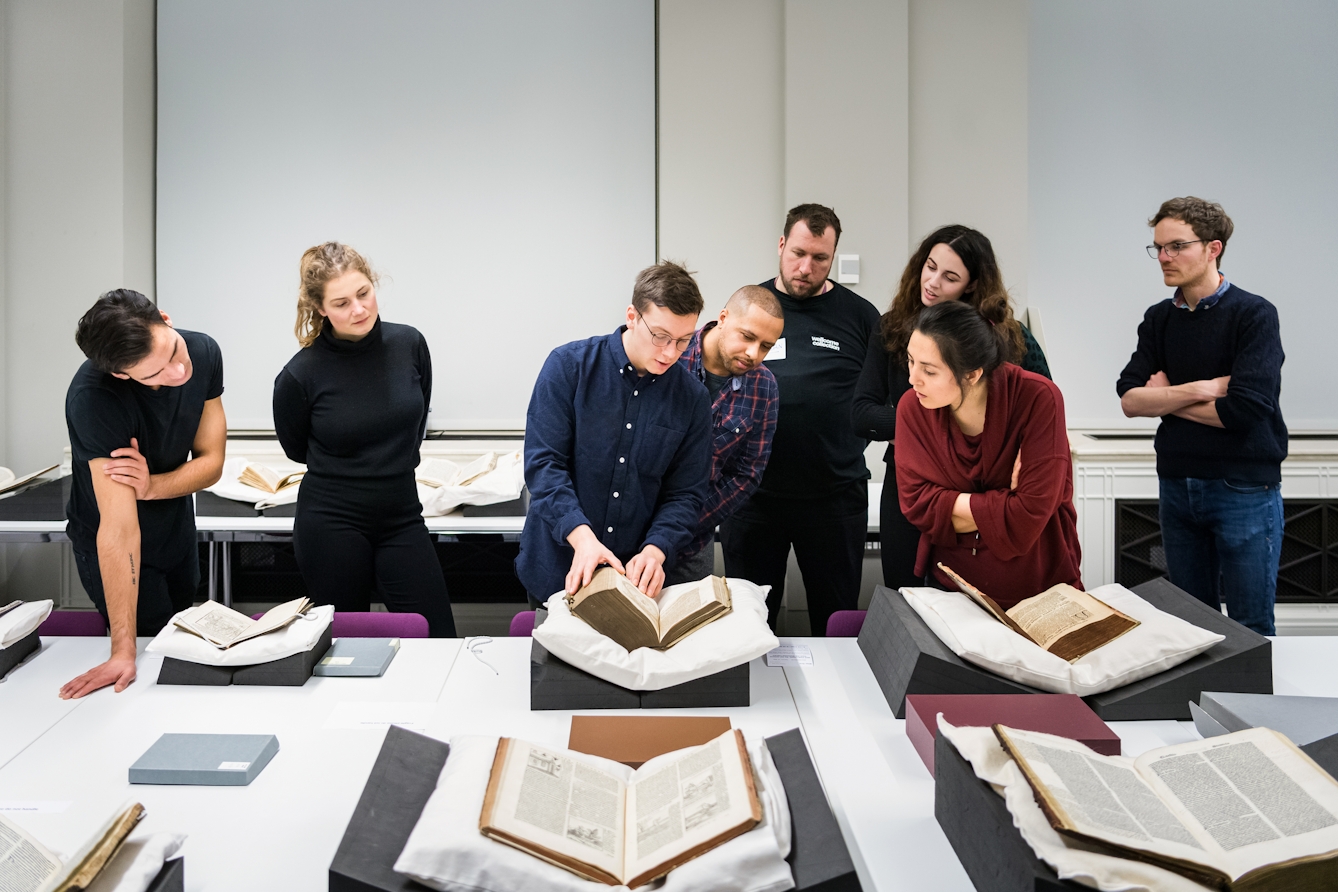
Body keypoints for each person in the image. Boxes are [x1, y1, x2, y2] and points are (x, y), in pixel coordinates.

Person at [1116, 197, 1285, 635]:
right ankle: (1193, 707)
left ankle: (1250, 707)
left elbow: (1246, 410)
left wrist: (1167, 399)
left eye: (1176, 247)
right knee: (1189, 627)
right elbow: (1130, 399)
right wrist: (1203, 389)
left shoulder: (1254, 314)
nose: (1164, 258)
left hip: (1243, 485)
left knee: (1250, 628)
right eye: (1158, 248)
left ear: (1213, 248)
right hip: (1177, 483)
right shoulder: (1158, 319)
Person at [853, 225, 1052, 590]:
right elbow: (861, 415)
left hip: (990, 483)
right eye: (929, 267)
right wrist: (922, 432)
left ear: (973, 285)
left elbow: (1040, 411)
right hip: (913, 483)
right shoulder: (894, 328)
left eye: (949, 277)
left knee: (980, 599)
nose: (931, 282)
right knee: (907, 599)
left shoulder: (1011, 337)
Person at [273, 242, 456, 637]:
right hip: (331, 520)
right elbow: (296, 448)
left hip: (402, 514)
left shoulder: (409, 344)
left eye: (363, 293)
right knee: (343, 645)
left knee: (438, 634)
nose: (358, 309)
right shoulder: (300, 375)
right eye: (341, 303)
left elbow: (414, 419)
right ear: (320, 308)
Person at [719, 203, 880, 637]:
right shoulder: (750, 308)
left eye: (820, 258)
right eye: (798, 253)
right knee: (747, 623)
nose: (805, 267)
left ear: (833, 258)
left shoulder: (862, 317)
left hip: (833, 497)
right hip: (753, 496)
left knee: (836, 620)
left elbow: (883, 401)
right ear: (781, 244)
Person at [60, 290, 226, 699]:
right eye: (155, 374)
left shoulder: (201, 351)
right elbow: (118, 529)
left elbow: (212, 462)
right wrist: (122, 650)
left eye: (171, 351)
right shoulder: (94, 399)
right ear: (122, 375)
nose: (177, 372)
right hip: (115, 545)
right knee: (147, 664)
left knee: (181, 650)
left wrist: (152, 486)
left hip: (175, 529)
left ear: (166, 319)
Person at [517, 261, 711, 606]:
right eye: (661, 336)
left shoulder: (692, 398)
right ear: (632, 316)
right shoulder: (567, 367)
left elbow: (685, 494)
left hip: (634, 581)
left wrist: (657, 548)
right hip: (560, 568)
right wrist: (582, 538)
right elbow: (544, 466)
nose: (671, 353)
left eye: (683, 341)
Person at [895, 300, 1081, 608]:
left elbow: (1027, 520)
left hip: (1041, 589)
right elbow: (917, 506)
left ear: (972, 374)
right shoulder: (912, 408)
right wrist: (1007, 498)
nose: (913, 378)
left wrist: (948, 503)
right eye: (910, 361)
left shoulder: (1038, 398)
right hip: (952, 588)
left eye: (928, 370)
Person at [665, 285, 784, 586]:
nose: (753, 354)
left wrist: (684, 523)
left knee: (690, 629)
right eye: (747, 336)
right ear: (723, 318)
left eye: (766, 346)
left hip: (692, 542)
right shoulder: (669, 358)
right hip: (629, 531)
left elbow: (747, 473)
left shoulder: (764, 386)